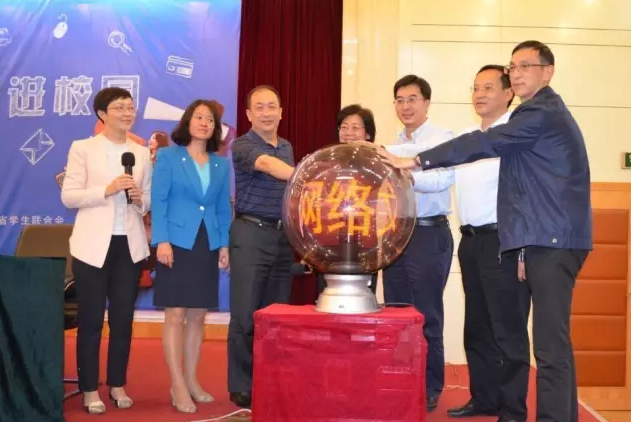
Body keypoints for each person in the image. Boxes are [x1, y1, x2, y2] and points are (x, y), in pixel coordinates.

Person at [373, 40, 592, 422]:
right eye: (513, 66)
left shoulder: (539, 114)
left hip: (551, 241)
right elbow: (522, 194)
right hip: (531, 240)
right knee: (502, 333)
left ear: (548, 72)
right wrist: (522, 248)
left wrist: (416, 161)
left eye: (525, 66)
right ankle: (492, 400)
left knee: (546, 345)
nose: (517, 73)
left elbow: (485, 144)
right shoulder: (531, 118)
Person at [446, 65, 531, 421]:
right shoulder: (469, 138)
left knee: (507, 329)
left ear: (508, 93)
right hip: (470, 241)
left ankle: (512, 409)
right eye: (475, 88)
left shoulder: (518, 137)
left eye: (488, 88)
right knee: (477, 326)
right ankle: (484, 399)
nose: (479, 94)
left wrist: (523, 249)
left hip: (504, 241)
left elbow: (527, 197)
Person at [61, 87, 152, 414]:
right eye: (119, 108)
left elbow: (148, 200)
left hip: (129, 245)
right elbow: (69, 196)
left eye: (130, 107)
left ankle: (117, 384)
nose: (127, 113)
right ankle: (89, 389)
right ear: (102, 114)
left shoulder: (140, 153)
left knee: (123, 320)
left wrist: (141, 200)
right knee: (91, 321)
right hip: (92, 246)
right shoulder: (83, 148)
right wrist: (107, 189)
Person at [151, 99, 232, 414]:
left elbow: (222, 208)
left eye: (210, 119)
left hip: (207, 242)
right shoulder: (169, 157)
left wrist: (224, 244)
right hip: (176, 241)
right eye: (199, 117)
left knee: (198, 314)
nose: (204, 123)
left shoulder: (220, 164)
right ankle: (177, 384)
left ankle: (192, 380)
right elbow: (159, 200)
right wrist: (162, 240)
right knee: (175, 314)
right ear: (187, 122)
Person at [382, 75, 456, 412]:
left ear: (426, 102)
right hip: (397, 234)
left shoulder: (442, 138)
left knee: (426, 314)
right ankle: (400, 381)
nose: (405, 106)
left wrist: (406, 171)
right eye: (400, 100)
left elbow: (442, 178)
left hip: (429, 233)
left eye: (412, 99)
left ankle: (429, 386)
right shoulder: (394, 143)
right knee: (396, 313)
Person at [228, 85, 295, 409]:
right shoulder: (242, 145)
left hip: (283, 238)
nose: (266, 113)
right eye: (260, 107)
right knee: (245, 314)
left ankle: (270, 380)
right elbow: (268, 166)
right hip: (250, 235)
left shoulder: (287, 146)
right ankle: (241, 386)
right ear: (249, 114)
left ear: (281, 112)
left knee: (276, 315)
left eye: (272, 106)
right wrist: (306, 175)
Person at [315, 104, 379, 296]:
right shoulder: (326, 164)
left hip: (365, 244)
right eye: (343, 127)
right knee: (328, 299)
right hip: (330, 244)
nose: (348, 132)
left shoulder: (378, 166)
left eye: (355, 127)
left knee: (362, 300)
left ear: (368, 134)